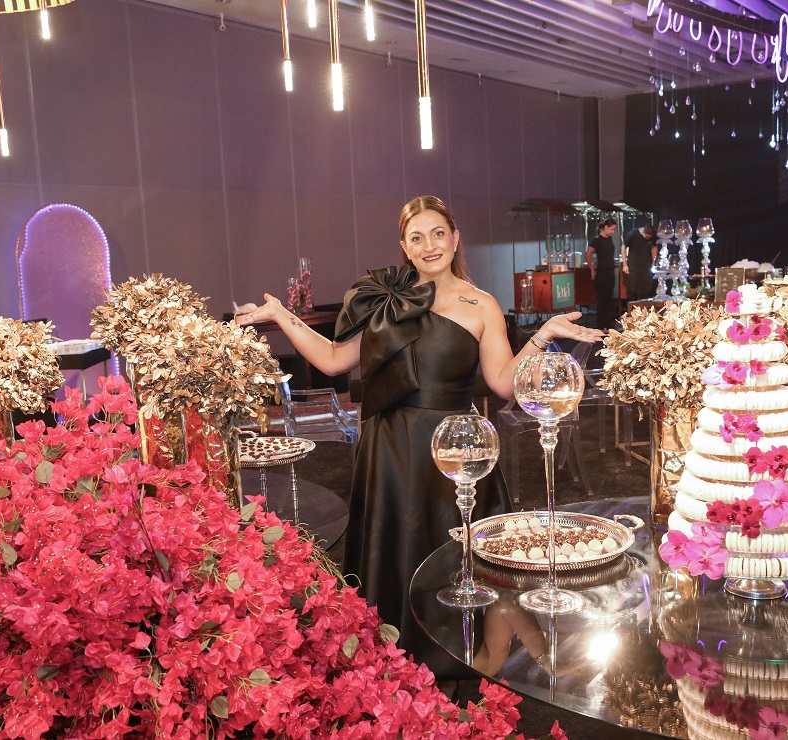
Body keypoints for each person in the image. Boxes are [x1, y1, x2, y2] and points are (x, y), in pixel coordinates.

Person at [235, 196, 603, 671]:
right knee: (399, 554)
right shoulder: (382, 300)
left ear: (455, 238)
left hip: (456, 448)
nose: (429, 245)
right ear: (404, 247)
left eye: (438, 233)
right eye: (417, 237)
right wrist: (281, 316)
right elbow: (333, 359)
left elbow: (502, 382)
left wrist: (543, 335)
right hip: (389, 449)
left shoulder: (481, 304)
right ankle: (397, 666)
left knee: (471, 558)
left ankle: (486, 662)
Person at [584, 218, 618, 330]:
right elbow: (587, 254)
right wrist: (592, 268)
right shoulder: (597, 240)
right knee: (602, 298)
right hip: (602, 271)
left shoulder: (610, 239)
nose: (613, 232)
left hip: (610, 271)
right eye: (612, 229)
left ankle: (608, 323)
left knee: (609, 297)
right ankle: (601, 324)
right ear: (606, 227)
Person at [622, 222, 657, 302]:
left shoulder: (652, 237)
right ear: (643, 232)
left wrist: (654, 262)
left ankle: (644, 309)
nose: (648, 239)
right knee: (632, 292)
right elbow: (623, 247)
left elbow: (654, 247)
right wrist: (624, 264)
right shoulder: (632, 234)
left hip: (646, 268)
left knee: (645, 293)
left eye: (649, 238)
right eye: (646, 237)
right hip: (633, 268)